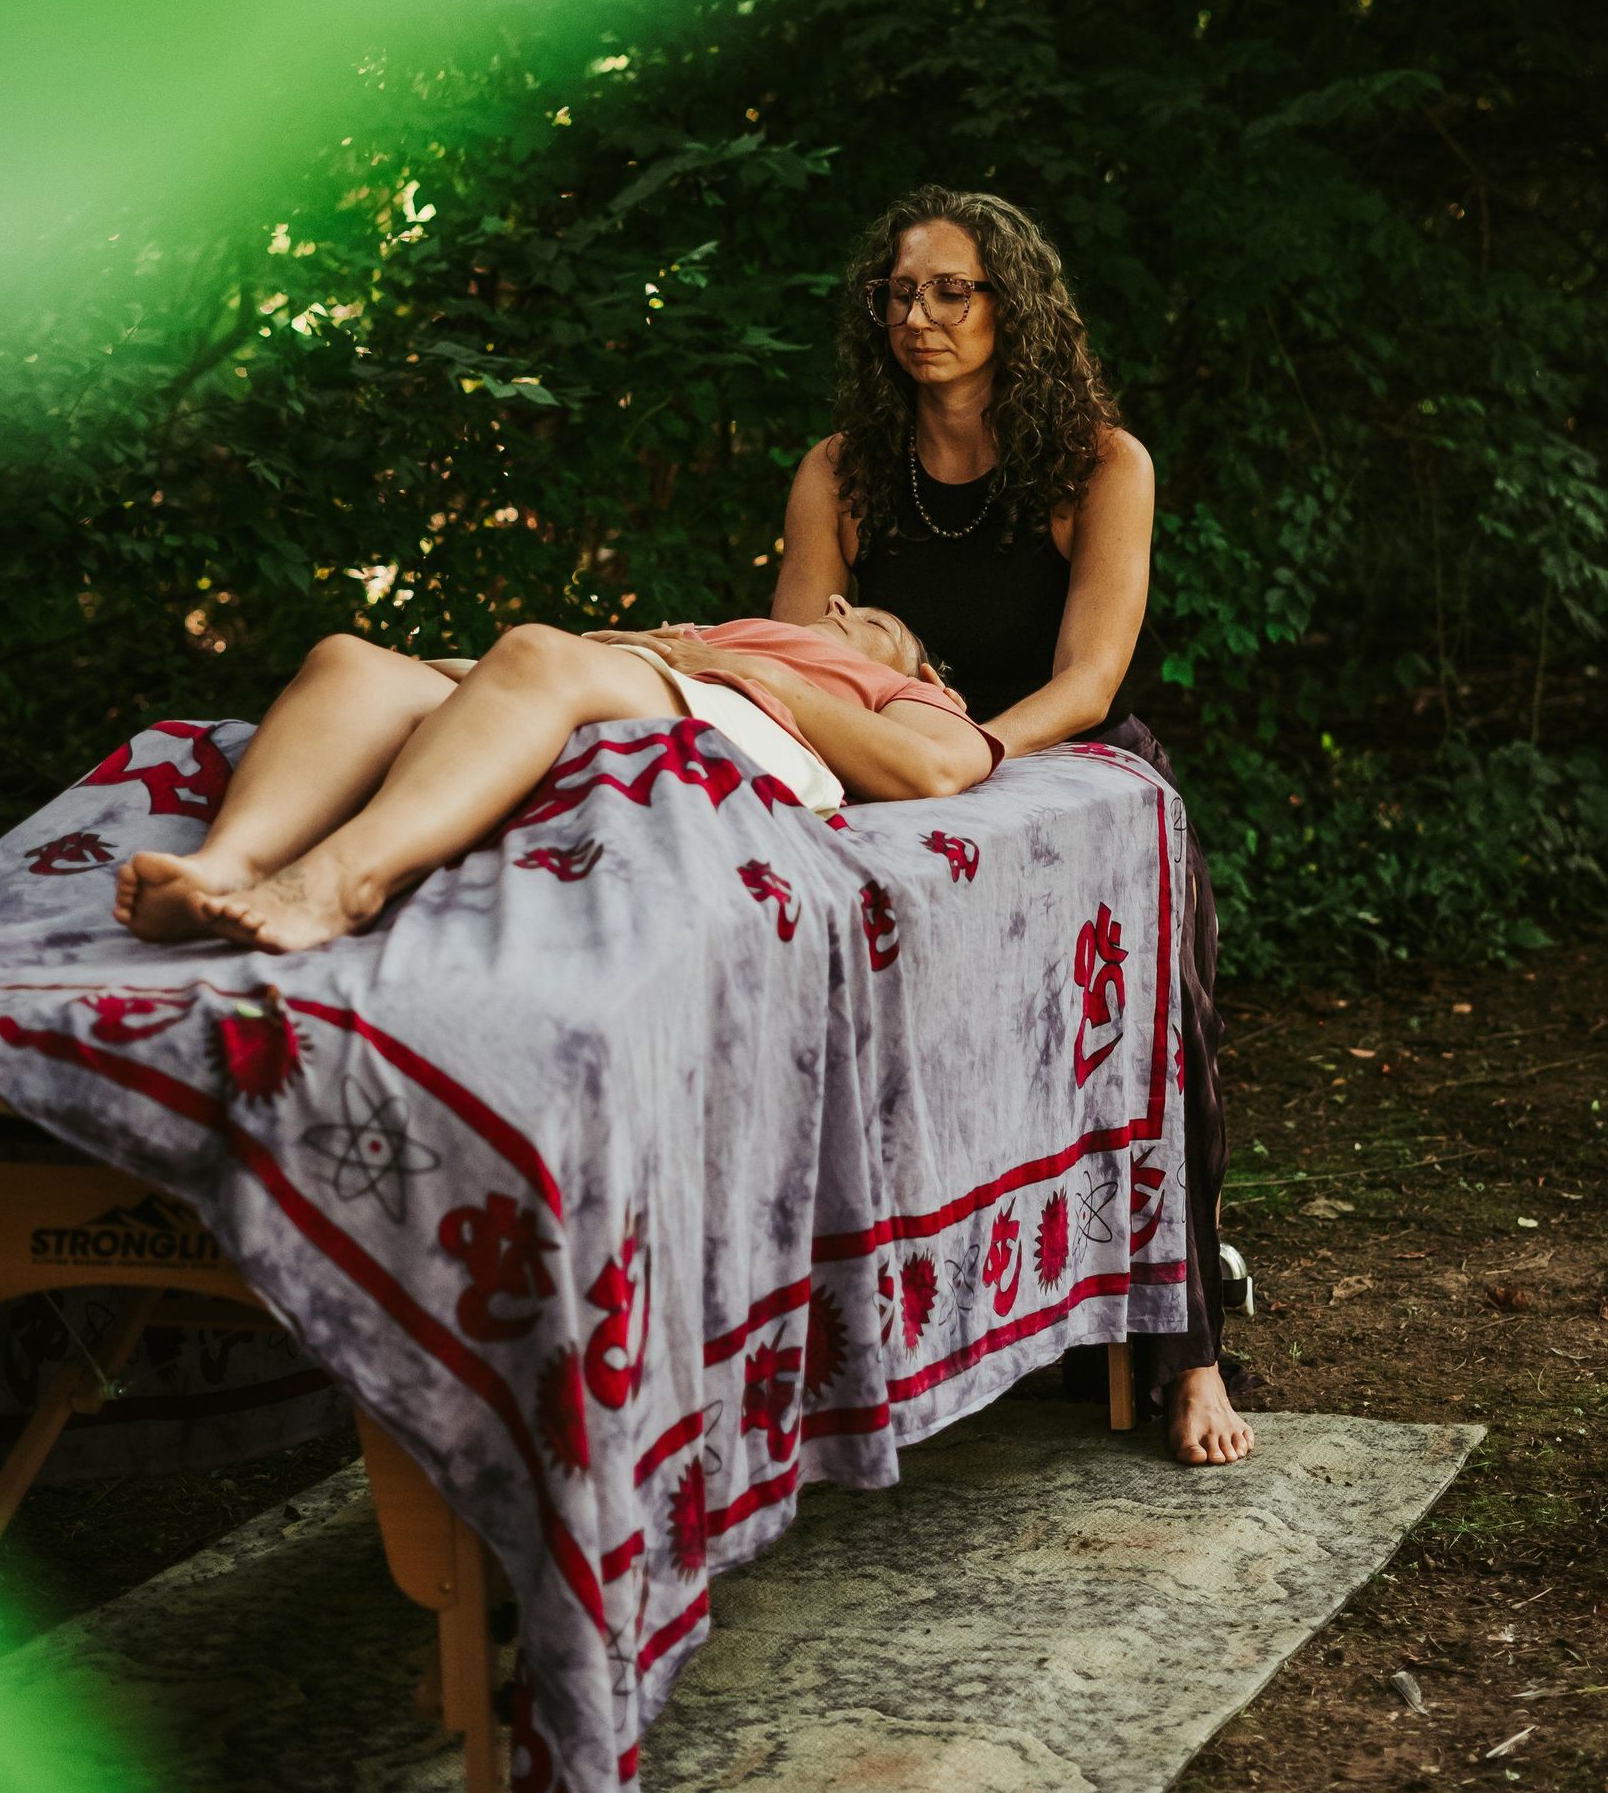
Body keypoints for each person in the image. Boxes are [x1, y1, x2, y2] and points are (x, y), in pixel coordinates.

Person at [772, 183, 1253, 1469]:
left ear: (1011, 304)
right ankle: (898, 1333)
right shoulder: (842, 470)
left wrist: (979, 749)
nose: (920, 318)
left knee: (1162, 1024)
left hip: (1072, 770)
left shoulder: (1099, 463)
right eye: (901, 294)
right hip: (905, 767)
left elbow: (1092, 678)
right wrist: (903, 756)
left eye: (952, 291)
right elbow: (800, 659)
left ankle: (1189, 1349)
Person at [114, 597, 995, 956]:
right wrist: (675, 646)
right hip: (642, 676)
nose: (838, 606)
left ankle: (338, 884)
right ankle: (226, 867)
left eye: (871, 617)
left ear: (928, 678)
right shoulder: (730, 628)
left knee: (539, 653)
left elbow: (937, 766)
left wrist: (743, 670)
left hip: (747, 725)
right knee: (353, 663)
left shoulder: (898, 692)